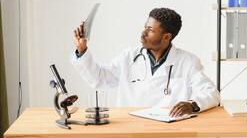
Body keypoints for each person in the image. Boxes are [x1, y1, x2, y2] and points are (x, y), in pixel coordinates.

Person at [71, 7, 220, 117]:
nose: (143, 33)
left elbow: (212, 93)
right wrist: (82, 50)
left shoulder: (187, 61)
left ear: (167, 37)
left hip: (169, 131)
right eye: (144, 27)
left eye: (150, 30)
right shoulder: (129, 57)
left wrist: (192, 105)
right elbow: (100, 79)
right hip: (131, 127)